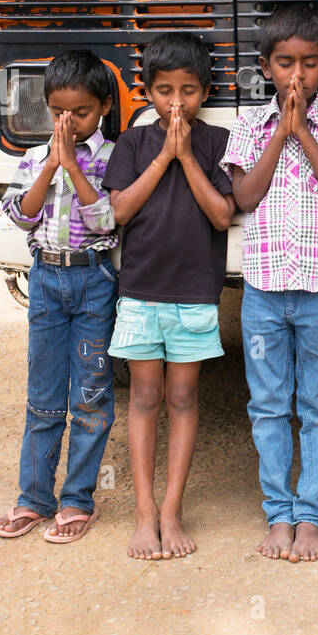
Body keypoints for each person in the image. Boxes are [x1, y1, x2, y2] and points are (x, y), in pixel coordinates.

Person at [221, 5, 318, 563]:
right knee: (268, 405)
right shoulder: (248, 127)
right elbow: (246, 197)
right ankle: (278, 513)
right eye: (285, 63)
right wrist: (278, 132)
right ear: (266, 67)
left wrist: (303, 131)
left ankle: (311, 516)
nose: (297, 75)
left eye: (308, 63)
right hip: (262, 290)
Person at [103, 32, 236, 560]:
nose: (176, 102)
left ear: (205, 91)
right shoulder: (133, 145)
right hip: (140, 292)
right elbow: (118, 213)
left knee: (182, 398)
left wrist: (186, 158)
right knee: (143, 397)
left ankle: (171, 511)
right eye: (163, 91)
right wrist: (164, 156)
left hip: (194, 296)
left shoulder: (217, 143)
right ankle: (142, 513)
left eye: (188, 90)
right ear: (147, 93)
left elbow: (223, 215)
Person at [0, 50, 118, 544]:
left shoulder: (113, 158)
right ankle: (34, 499)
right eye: (59, 112)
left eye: (82, 112)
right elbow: (21, 216)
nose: (70, 122)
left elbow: (107, 221)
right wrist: (52, 164)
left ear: (104, 106)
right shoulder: (31, 158)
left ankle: (77, 500)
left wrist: (74, 165)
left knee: (90, 396)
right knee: (43, 398)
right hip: (46, 280)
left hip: (93, 284)